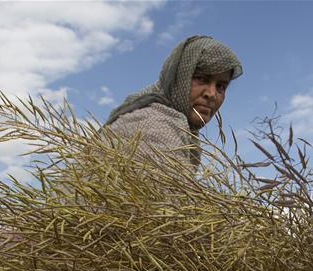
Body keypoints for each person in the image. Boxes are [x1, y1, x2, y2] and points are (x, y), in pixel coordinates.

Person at [103, 35, 243, 171]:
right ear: (178, 77)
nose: (212, 94)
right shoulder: (157, 124)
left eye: (221, 86)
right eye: (201, 78)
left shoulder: (180, 129)